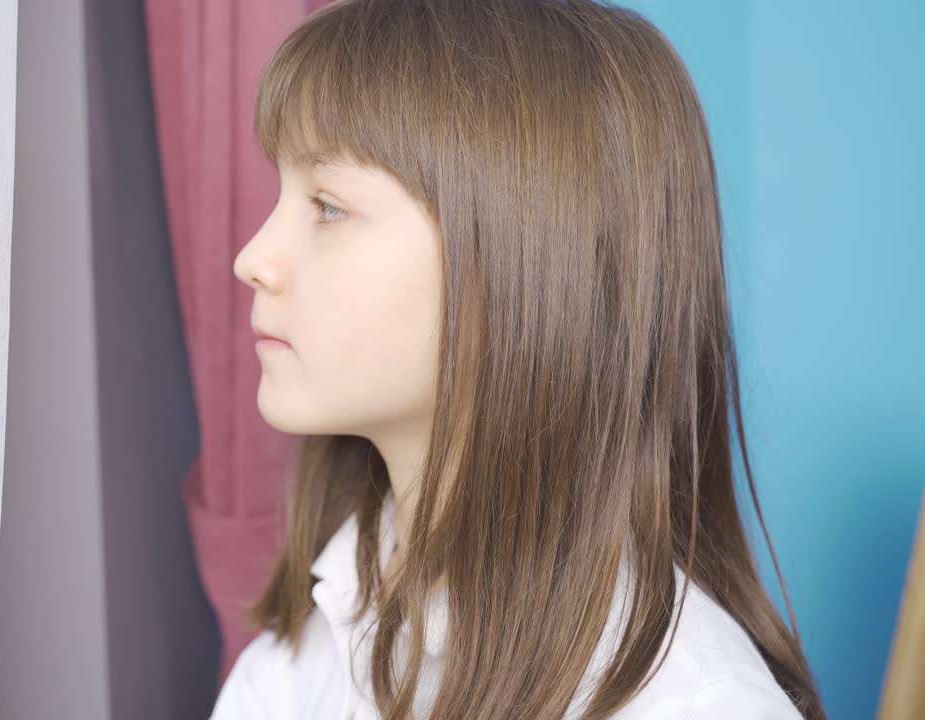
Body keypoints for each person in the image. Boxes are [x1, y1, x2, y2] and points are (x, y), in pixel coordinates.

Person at [217, 0, 826, 717]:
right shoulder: (311, 648)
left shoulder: (697, 705)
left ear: (519, 262)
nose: (252, 259)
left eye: (327, 205)